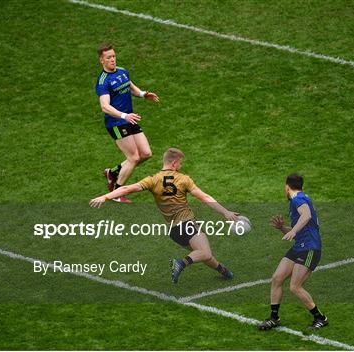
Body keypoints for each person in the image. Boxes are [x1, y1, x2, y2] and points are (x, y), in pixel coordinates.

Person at [89, 147, 239, 284]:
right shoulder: (183, 179)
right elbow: (205, 198)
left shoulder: (153, 179)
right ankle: (180, 263)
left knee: (201, 253)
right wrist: (226, 212)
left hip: (174, 232)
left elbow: (128, 188)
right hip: (187, 225)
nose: (180, 166)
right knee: (204, 252)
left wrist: (105, 197)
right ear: (174, 163)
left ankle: (223, 271)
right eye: (180, 163)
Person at [258, 173, 328, 331]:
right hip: (299, 246)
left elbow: (306, 216)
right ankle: (274, 318)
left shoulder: (298, 199)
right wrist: (283, 228)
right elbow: (304, 225)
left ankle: (320, 318)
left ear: (287, 187)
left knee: (295, 287)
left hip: (310, 248)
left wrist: (294, 232)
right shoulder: (301, 199)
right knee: (277, 278)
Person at [95, 43, 160, 203]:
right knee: (133, 157)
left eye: (113, 56)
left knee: (146, 153)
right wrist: (124, 116)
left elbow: (130, 87)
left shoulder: (122, 72)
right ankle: (117, 193)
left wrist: (144, 94)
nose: (112, 60)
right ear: (101, 60)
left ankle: (113, 172)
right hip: (116, 123)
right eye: (108, 57)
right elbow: (105, 107)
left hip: (129, 118)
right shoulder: (103, 82)